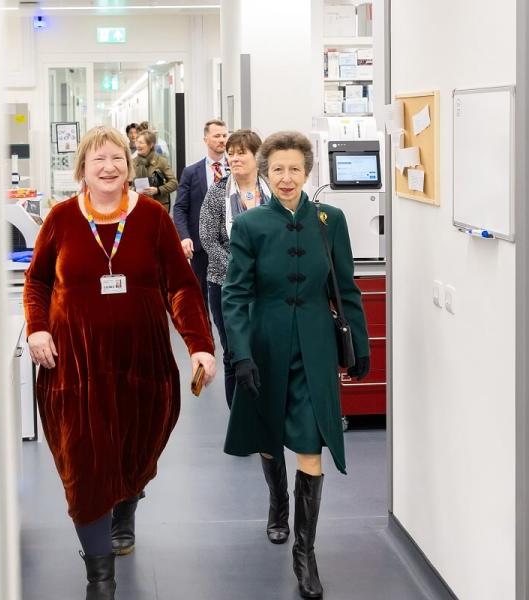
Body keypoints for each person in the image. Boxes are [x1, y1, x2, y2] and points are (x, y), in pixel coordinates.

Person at [23, 125, 216, 599]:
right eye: (98, 160)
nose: (109, 168)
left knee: (133, 450)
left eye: (117, 159)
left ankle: (126, 501)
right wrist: (38, 327)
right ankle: (100, 578)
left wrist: (199, 345)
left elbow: (181, 287)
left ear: (129, 167)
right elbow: (38, 281)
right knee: (84, 463)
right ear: (82, 170)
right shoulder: (62, 218)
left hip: (142, 363)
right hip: (75, 367)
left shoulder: (152, 217)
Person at [221, 131, 370, 599]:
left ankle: (304, 554)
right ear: (266, 173)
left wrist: (360, 345)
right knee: (268, 434)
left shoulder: (332, 220)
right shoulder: (249, 226)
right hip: (265, 343)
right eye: (278, 169)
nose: (286, 178)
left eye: (295, 169)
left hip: (316, 347)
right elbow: (236, 293)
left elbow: (344, 287)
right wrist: (239, 352)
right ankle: (277, 502)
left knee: (311, 440)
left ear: (308, 173)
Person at [198, 128, 269, 408]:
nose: (234, 158)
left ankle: (264, 412)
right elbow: (207, 237)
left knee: (263, 351)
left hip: (267, 286)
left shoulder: (271, 191)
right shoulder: (217, 193)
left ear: (257, 156)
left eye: (242, 153)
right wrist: (238, 270)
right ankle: (239, 418)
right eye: (231, 153)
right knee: (233, 352)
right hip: (225, 284)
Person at [173, 118, 229, 313]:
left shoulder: (235, 168)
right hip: (200, 244)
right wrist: (184, 236)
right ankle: (206, 337)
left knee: (230, 295)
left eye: (224, 135)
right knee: (200, 295)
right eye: (217, 136)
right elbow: (180, 208)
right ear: (206, 139)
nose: (222, 140)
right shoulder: (191, 172)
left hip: (230, 243)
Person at [132, 129, 178, 212]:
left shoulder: (161, 161)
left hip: (159, 206)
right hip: (137, 205)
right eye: (137, 142)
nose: (138, 145)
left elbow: (174, 183)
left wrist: (158, 190)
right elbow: (125, 185)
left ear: (151, 145)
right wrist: (133, 190)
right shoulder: (133, 163)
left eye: (141, 143)